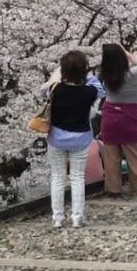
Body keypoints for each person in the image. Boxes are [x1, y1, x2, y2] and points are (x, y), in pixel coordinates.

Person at [47, 50, 99, 228]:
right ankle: (77, 217)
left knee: (57, 177)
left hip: (56, 138)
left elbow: (43, 90)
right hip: (80, 138)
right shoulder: (89, 92)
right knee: (77, 178)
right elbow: (100, 88)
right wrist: (88, 75)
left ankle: (58, 218)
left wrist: (57, 75)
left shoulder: (55, 90)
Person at [99, 43, 137, 198]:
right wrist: (126, 52)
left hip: (109, 116)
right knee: (136, 153)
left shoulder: (105, 76)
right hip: (128, 117)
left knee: (111, 155)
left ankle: (113, 189)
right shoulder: (133, 74)